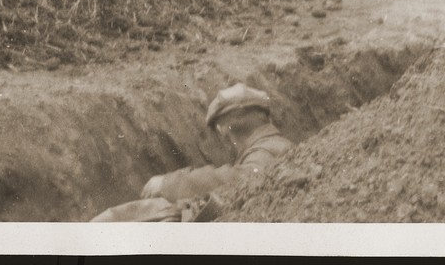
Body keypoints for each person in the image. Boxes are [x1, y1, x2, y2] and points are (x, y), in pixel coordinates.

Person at [91, 84, 293, 222]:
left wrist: (169, 184)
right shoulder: (274, 145)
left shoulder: (270, 148)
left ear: (224, 130)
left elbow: (241, 179)